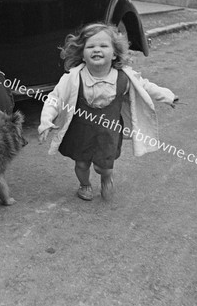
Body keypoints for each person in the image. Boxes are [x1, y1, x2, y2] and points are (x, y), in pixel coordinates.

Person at [38, 22, 178, 202]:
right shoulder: (73, 78)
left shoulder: (124, 78)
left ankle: (106, 178)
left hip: (108, 133)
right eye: (91, 46)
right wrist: (46, 120)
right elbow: (55, 98)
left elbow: (146, 87)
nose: (97, 49)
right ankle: (85, 184)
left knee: (105, 167)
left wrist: (168, 96)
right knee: (81, 164)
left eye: (103, 46)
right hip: (81, 132)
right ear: (82, 53)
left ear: (114, 54)